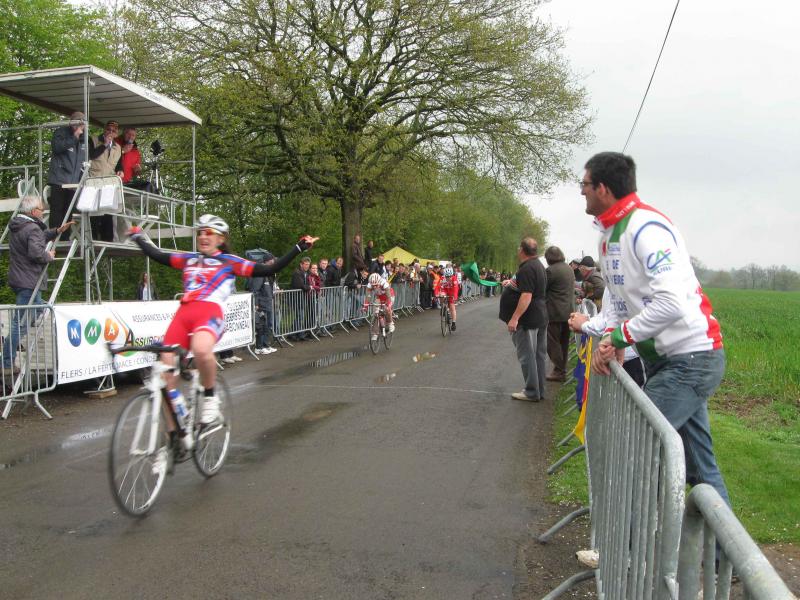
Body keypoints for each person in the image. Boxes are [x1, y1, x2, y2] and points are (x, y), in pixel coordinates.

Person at [572, 150, 730, 508]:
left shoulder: (647, 228)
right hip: (667, 361)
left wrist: (619, 336)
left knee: (632, 446)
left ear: (603, 188)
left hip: (691, 358)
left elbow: (671, 303)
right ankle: (723, 544)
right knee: (701, 468)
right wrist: (613, 338)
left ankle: (632, 540)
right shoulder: (607, 236)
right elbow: (619, 301)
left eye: (585, 184)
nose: (581, 191)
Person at [127, 215, 316, 447]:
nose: (203, 236)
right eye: (200, 232)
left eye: (209, 232)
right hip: (183, 315)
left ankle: (210, 398)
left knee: (201, 349)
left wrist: (298, 248)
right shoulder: (189, 259)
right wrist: (138, 237)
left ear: (221, 239)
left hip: (209, 313)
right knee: (165, 374)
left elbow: (270, 267)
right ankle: (172, 439)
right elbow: (157, 254)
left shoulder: (229, 261)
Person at [3, 196, 74, 372]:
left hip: (20, 279)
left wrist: (57, 231)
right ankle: (6, 362)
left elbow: (38, 237)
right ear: (34, 211)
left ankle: (8, 354)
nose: (43, 212)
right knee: (20, 324)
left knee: (37, 310)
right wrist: (48, 256)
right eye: (42, 210)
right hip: (29, 282)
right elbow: (36, 252)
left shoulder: (19, 226)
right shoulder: (32, 228)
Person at [498, 238, 548, 402]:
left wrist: (514, 318)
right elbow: (527, 287)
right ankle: (539, 389)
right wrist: (511, 283)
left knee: (527, 356)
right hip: (539, 315)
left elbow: (526, 295)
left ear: (522, 250)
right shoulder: (538, 265)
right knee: (538, 355)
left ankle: (531, 391)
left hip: (527, 320)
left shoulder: (527, 268)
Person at [47, 111, 86, 241]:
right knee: (57, 210)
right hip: (59, 180)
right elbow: (57, 148)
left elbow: (84, 159)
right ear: (71, 122)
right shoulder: (61, 132)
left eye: (81, 124)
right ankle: (53, 238)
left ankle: (64, 240)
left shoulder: (84, 138)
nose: (79, 126)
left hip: (73, 182)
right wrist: (74, 136)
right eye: (77, 123)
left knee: (68, 212)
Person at [88, 120, 124, 241]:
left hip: (109, 184)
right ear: (104, 130)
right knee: (94, 214)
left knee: (108, 215)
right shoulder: (93, 140)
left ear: (116, 134)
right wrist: (104, 144)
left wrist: (121, 171)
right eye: (108, 129)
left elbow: (119, 164)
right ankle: (92, 240)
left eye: (113, 131)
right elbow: (90, 155)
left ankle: (107, 242)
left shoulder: (118, 147)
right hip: (93, 182)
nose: (110, 132)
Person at [544, 246, 575, 382]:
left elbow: (542, 288)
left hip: (554, 312)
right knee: (563, 342)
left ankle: (560, 370)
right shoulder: (569, 269)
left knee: (552, 342)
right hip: (568, 311)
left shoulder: (551, 271)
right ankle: (560, 370)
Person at [248, 252, 277, 354]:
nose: (274, 263)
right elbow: (255, 290)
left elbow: (269, 288)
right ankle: (259, 347)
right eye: (272, 261)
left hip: (267, 303)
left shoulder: (268, 273)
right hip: (261, 304)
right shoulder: (260, 274)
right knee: (261, 326)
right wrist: (256, 304)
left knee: (268, 325)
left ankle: (266, 345)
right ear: (267, 262)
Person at [365, 272, 395, 339]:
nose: (374, 287)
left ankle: (390, 323)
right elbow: (368, 296)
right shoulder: (369, 285)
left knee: (387, 309)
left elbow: (389, 297)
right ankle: (375, 333)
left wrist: (388, 305)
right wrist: (365, 306)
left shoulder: (384, 283)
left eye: (376, 285)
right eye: (373, 285)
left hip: (389, 296)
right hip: (379, 297)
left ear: (379, 282)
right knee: (376, 313)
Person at [290, 256, 313, 339]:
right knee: (300, 316)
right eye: (306, 264)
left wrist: (310, 286)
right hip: (297, 298)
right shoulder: (297, 273)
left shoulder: (307, 272)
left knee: (300, 316)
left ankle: (295, 333)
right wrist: (309, 287)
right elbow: (300, 285)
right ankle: (297, 334)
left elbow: (310, 282)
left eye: (308, 264)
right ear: (301, 264)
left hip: (303, 297)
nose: (307, 266)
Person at [434, 265, 459, 331]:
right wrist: (436, 294)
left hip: (452, 291)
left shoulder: (454, 279)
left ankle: (453, 323)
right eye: (447, 276)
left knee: (452, 307)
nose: (449, 278)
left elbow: (456, 289)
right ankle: (443, 306)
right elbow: (437, 287)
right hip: (445, 290)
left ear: (452, 275)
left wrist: (454, 297)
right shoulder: (442, 278)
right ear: (445, 275)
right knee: (441, 295)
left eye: (450, 276)